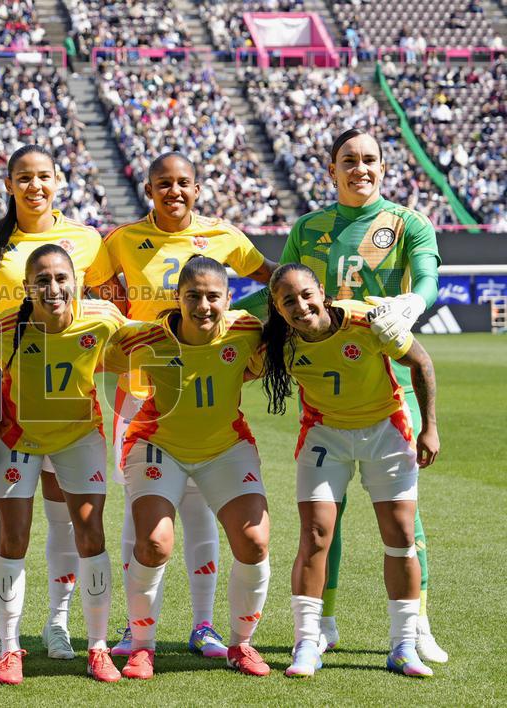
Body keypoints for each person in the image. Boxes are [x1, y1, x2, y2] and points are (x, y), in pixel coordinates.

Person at [235, 127, 447, 663]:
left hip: (392, 384)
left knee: (404, 517)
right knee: (327, 515)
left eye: (369, 159)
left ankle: (416, 623)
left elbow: (427, 280)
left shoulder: (408, 223)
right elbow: (281, 289)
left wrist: (409, 307)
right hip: (326, 385)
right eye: (348, 160)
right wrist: (229, 317)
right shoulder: (309, 227)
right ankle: (323, 621)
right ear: (332, 170)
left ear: (383, 166)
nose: (360, 168)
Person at [0, 144, 125, 662]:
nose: (34, 186)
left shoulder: (89, 241)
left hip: (71, 399)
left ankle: (58, 624)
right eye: (22, 177)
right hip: (8, 398)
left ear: (58, 181)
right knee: (6, 521)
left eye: (43, 176)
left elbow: (106, 306)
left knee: (66, 518)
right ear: (8, 184)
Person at [103, 152, 277, 658]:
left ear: (196, 188)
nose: (173, 191)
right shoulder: (121, 240)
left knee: (203, 509)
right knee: (142, 519)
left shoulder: (224, 235)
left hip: (209, 392)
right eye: (163, 183)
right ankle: (132, 628)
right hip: (140, 393)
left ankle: (205, 627)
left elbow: (274, 278)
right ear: (149, 190)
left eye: (183, 183)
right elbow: (88, 288)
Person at [260, 263, 439, 678]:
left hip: (387, 431)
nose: (300, 306)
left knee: (401, 536)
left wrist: (430, 427)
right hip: (325, 436)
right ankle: (307, 644)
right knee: (316, 535)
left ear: (321, 291)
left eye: (306, 294)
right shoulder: (277, 343)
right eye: (288, 301)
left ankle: (404, 645)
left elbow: (422, 363)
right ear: (277, 307)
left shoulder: (367, 321)